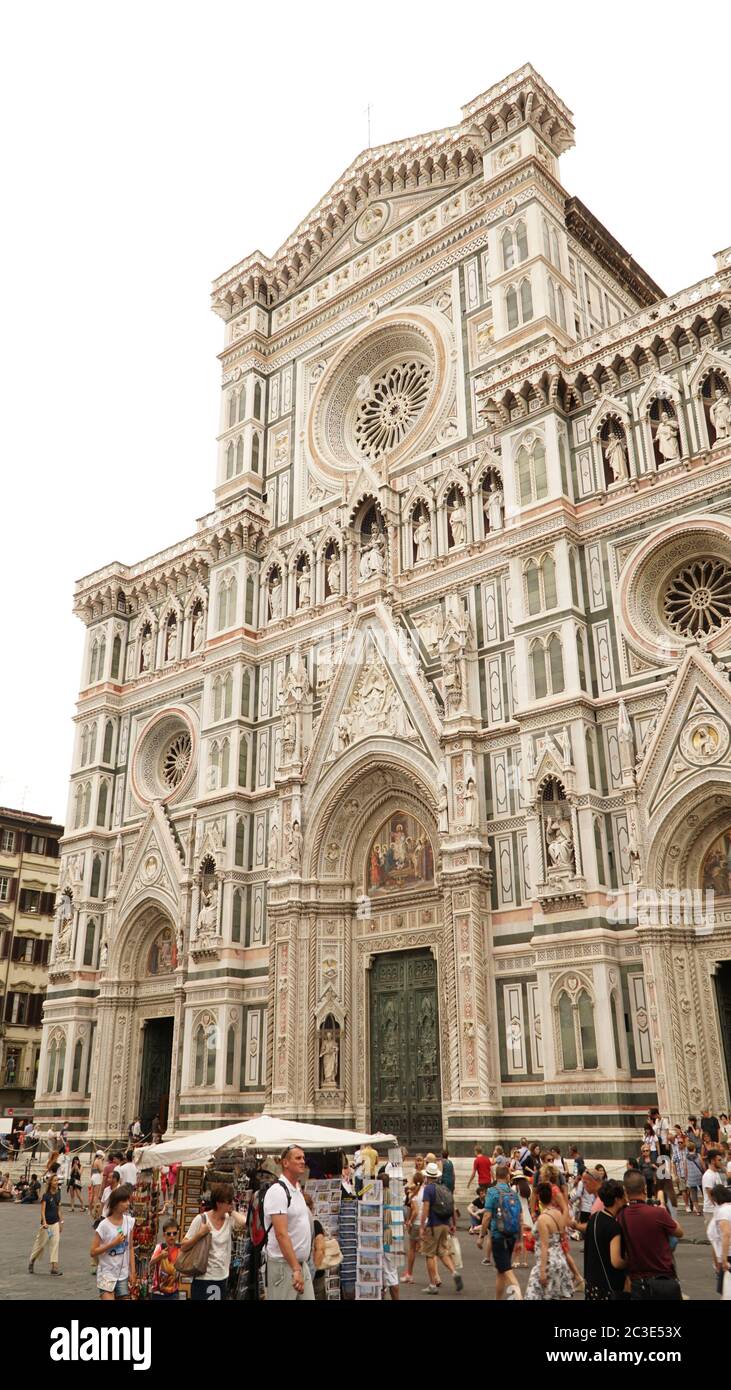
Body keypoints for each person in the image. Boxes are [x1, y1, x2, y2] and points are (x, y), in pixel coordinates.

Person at [616, 1170, 683, 1300]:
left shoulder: (621, 1216)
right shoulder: (658, 1213)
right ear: (645, 1188)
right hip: (663, 1279)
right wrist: (664, 1211)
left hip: (639, 1282)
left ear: (626, 1191)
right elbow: (679, 1232)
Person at [261, 1147, 314, 1301]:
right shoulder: (278, 1191)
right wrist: (295, 1268)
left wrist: (299, 1267)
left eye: (303, 1158)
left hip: (300, 1265)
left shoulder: (296, 1189)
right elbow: (281, 1234)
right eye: (298, 1158)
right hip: (284, 1266)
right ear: (285, 1162)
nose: (303, 1161)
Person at [181, 1182, 246, 1301]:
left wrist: (232, 1212)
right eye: (229, 1202)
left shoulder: (229, 1219)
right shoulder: (201, 1219)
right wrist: (200, 1234)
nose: (231, 1204)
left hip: (222, 1276)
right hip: (204, 1277)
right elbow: (183, 1246)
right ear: (219, 1203)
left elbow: (244, 1223)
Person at [419, 1160, 463, 1295]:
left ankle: (432, 1285)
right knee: (443, 1252)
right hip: (445, 1224)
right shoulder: (445, 1188)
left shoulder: (428, 1189)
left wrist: (422, 1226)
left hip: (433, 1225)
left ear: (427, 1176)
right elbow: (452, 1206)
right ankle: (454, 1272)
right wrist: (453, 1224)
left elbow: (426, 1208)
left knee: (429, 1254)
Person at [525, 1181, 573, 1301]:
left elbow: (544, 1245)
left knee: (532, 1295)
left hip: (547, 1262)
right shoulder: (557, 1213)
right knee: (553, 1296)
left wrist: (542, 1271)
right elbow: (561, 1234)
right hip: (560, 1259)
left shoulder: (543, 1218)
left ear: (539, 1198)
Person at [482, 1161, 523, 1300]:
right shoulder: (513, 1193)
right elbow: (520, 1217)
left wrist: (481, 1236)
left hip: (498, 1235)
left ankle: (519, 1297)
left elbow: (487, 1215)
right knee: (501, 1270)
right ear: (507, 1177)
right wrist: (520, 1240)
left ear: (496, 1176)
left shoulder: (492, 1192)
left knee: (506, 1270)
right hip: (511, 1235)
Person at [583, 1180, 627, 1301]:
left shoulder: (594, 1218)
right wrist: (629, 1263)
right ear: (617, 1199)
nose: (626, 1199)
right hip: (608, 1285)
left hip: (592, 1282)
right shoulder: (614, 1227)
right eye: (623, 1195)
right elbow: (616, 1261)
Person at [91, 1185, 136, 1300]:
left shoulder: (129, 1222)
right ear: (115, 1204)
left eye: (128, 1200)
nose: (127, 1204)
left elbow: (130, 1248)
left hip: (123, 1274)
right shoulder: (104, 1225)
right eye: (124, 1201)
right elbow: (93, 1252)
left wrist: (133, 1271)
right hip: (106, 1274)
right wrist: (112, 1243)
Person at [28, 1173, 64, 1275]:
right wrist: (44, 1222)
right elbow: (42, 1211)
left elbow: (58, 1209)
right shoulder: (46, 1196)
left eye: (57, 1180)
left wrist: (61, 1221)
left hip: (55, 1223)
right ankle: (32, 1260)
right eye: (55, 1180)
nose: (56, 1182)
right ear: (50, 1183)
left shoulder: (58, 1193)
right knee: (40, 1245)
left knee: (55, 1244)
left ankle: (54, 1267)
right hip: (46, 1224)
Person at [337, 1162, 359, 1300]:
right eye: (345, 1168)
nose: (348, 1170)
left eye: (348, 1168)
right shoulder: (342, 1184)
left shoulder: (348, 1183)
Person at [708, 1184, 731, 1299]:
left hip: (729, 1255)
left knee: (726, 1293)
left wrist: (724, 1259)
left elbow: (726, 1234)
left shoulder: (723, 1211)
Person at [150, 1217, 182, 1300]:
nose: (172, 1236)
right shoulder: (160, 1247)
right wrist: (160, 1256)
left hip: (174, 1292)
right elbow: (151, 1263)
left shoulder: (180, 1249)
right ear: (164, 1235)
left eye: (174, 1233)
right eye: (169, 1234)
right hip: (158, 1291)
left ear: (177, 1234)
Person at [402, 1172, 424, 1283]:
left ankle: (409, 1274)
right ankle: (436, 1276)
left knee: (412, 1249)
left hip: (416, 1223)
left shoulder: (414, 1195)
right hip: (426, 1223)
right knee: (431, 1252)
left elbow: (414, 1211)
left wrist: (409, 1221)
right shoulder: (426, 1191)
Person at [702, 1149, 725, 1231]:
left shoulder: (716, 1174)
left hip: (717, 1210)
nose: (721, 1162)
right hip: (711, 1211)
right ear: (712, 1161)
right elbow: (711, 1196)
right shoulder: (708, 1175)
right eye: (719, 1160)